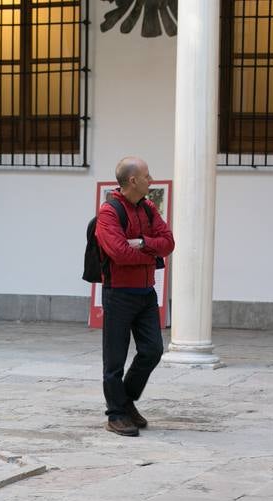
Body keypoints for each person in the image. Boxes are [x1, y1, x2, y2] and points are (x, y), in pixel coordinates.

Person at [95, 156, 174, 437]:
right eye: (146, 176)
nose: (151, 180)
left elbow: (169, 242)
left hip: (145, 293)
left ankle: (125, 400)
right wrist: (150, 256)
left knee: (152, 350)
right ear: (133, 181)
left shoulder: (149, 208)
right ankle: (115, 414)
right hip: (118, 294)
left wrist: (143, 243)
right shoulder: (109, 212)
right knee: (114, 359)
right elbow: (118, 253)